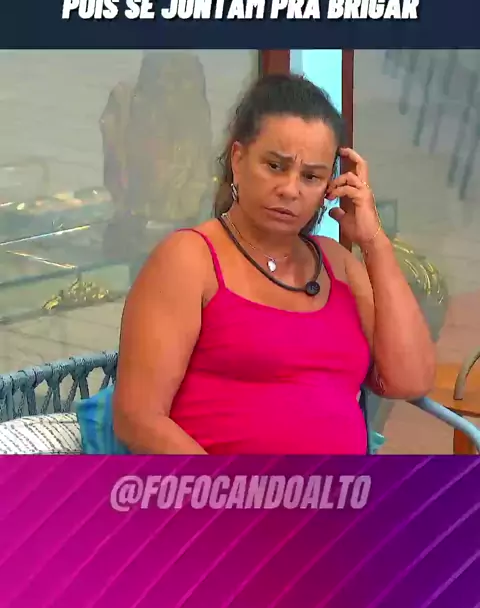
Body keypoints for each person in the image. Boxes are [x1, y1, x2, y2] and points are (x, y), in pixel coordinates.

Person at [113, 73, 436, 454]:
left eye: (311, 176)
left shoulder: (337, 265)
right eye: (275, 166)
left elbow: (410, 380)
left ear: (330, 186)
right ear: (238, 160)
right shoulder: (189, 259)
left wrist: (374, 242)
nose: (290, 189)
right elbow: (138, 418)